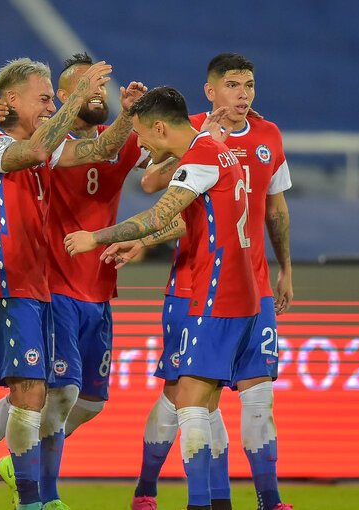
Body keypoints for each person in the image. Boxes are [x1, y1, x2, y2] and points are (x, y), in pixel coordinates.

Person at [0, 56, 144, 510]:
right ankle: (34, 500)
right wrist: (79, 96)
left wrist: (123, 115)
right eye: (44, 98)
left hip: (38, 288)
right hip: (6, 283)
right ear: (11, 101)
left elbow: (98, 150)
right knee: (33, 393)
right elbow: (35, 150)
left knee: (37, 395)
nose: (51, 106)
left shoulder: (48, 151)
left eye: (53, 98)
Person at [104, 53, 293, 510]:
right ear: (211, 92)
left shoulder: (268, 136)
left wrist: (286, 267)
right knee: (184, 393)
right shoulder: (188, 130)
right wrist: (200, 141)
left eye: (249, 85)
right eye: (233, 85)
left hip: (254, 285)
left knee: (255, 395)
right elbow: (156, 189)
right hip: (194, 284)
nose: (243, 94)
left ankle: (264, 500)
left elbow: (275, 209)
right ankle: (149, 490)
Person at [64, 86, 259, 510]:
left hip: (216, 294)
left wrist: (94, 237)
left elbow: (158, 212)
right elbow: (193, 222)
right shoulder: (216, 151)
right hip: (238, 294)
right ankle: (212, 503)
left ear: (158, 126)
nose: (143, 147)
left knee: (188, 401)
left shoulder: (201, 158)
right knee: (203, 404)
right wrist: (145, 243)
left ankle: (197, 503)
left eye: (141, 135)